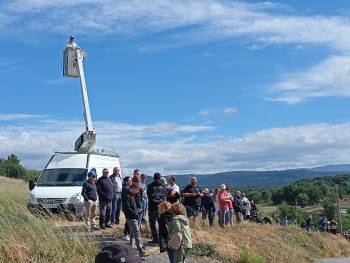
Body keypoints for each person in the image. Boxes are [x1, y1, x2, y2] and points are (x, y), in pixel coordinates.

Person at [122, 183, 147, 257]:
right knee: (137, 232)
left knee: (132, 233)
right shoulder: (127, 196)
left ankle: (131, 249)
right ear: (133, 188)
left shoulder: (132, 195)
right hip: (130, 217)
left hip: (134, 216)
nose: (137, 192)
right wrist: (135, 212)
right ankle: (140, 250)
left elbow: (132, 206)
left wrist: (138, 210)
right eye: (136, 190)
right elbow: (126, 208)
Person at [147, 172, 167, 244]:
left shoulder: (150, 185)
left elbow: (148, 195)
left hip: (152, 207)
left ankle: (155, 239)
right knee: (161, 224)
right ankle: (161, 240)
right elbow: (165, 197)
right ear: (160, 177)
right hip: (161, 208)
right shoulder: (164, 186)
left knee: (152, 224)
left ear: (153, 178)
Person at [122, 176, 133, 241]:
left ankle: (127, 233)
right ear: (125, 181)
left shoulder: (129, 187)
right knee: (128, 221)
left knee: (129, 220)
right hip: (126, 207)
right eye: (129, 180)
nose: (130, 181)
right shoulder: (125, 188)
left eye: (131, 180)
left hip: (129, 206)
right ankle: (126, 234)